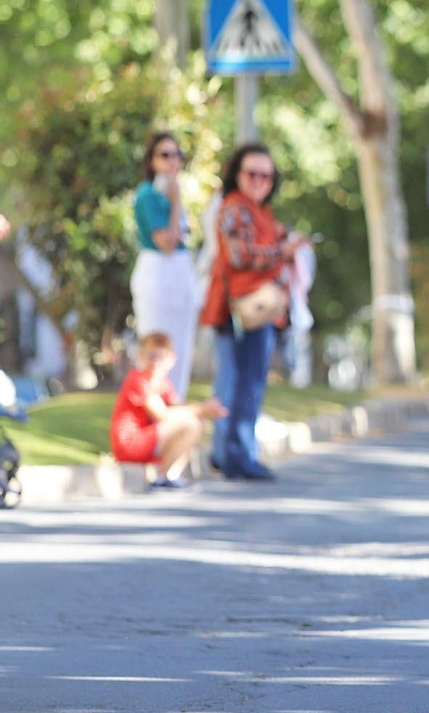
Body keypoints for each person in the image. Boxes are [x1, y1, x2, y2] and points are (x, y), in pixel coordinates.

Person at [201, 144, 305, 481]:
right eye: (252, 174)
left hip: (257, 310)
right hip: (239, 309)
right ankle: (236, 455)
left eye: (266, 175)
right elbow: (238, 256)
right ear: (237, 174)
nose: (260, 181)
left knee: (245, 382)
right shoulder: (235, 208)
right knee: (240, 383)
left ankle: (232, 452)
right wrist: (281, 250)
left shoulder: (260, 211)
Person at [131, 132, 200, 400]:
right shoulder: (149, 193)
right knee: (157, 349)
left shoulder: (169, 191)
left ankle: (173, 413)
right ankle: (153, 421)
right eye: (165, 155)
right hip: (159, 275)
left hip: (179, 274)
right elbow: (167, 243)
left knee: (178, 351)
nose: (173, 160)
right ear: (152, 160)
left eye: (177, 154)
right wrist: (175, 202)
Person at [110, 332, 226, 489]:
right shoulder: (138, 379)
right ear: (140, 356)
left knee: (196, 422)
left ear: (171, 359)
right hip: (131, 443)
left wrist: (203, 411)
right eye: (151, 356)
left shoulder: (162, 382)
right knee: (190, 424)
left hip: (148, 439)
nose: (156, 363)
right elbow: (163, 414)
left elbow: (176, 409)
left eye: (161, 357)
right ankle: (164, 476)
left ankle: (170, 474)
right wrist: (201, 409)